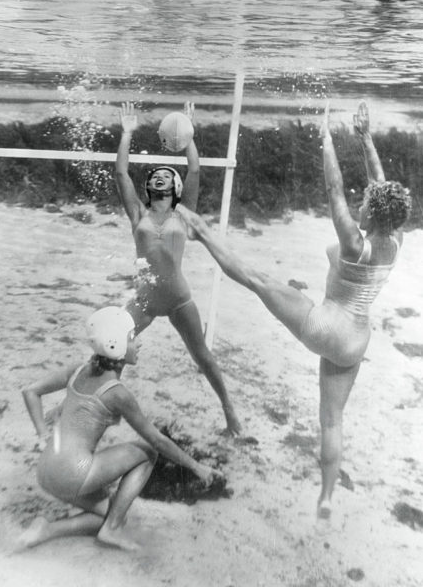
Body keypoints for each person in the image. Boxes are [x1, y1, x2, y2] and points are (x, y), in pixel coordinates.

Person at [176, 101, 412, 521]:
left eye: (366, 204)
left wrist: (326, 140)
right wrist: (364, 137)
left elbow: (335, 191)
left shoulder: (356, 244)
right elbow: (382, 183)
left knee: (256, 279)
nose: (361, 203)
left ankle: (202, 232)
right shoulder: (395, 239)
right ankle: (325, 497)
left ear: (372, 212)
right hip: (356, 341)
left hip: (327, 324)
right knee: (332, 421)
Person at [17, 306, 222, 551]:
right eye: (132, 338)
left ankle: (46, 530)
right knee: (147, 452)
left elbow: (31, 391)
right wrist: (197, 468)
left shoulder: (78, 370)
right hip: (71, 474)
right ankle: (112, 530)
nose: (138, 344)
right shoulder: (117, 394)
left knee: (111, 513)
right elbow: (157, 440)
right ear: (116, 346)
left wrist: (42, 435)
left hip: (46, 470)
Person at [115, 101, 241, 435]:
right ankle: (91, 403)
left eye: (166, 176)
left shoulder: (183, 215)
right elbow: (121, 173)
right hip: (144, 301)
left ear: (175, 189)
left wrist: (189, 132)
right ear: (149, 187)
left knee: (204, 357)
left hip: (178, 299)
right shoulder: (138, 215)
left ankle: (230, 414)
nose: (160, 177)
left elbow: (195, 171)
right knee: (110, 346)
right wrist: (127, 133)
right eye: (155, 176)